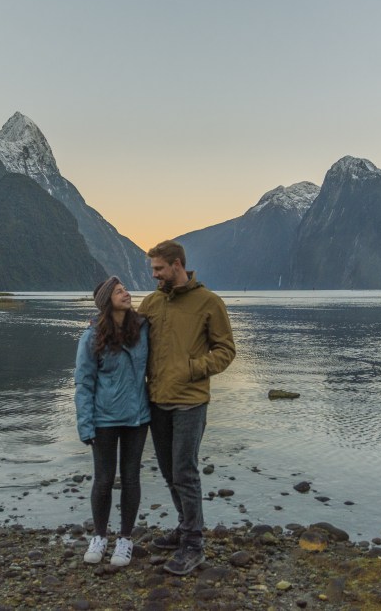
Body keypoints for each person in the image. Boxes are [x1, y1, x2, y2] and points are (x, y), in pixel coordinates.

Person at [138, 240, 236, 576]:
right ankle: (184, 526)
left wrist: (193, 368)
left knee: (185, 471)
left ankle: (194, 544)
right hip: (156, 399)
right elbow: (131, 339)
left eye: (159, 269)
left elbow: (226, 350)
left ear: (177, 265)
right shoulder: (151, 303)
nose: (154, 275)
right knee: (168, 472)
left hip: (190, 401)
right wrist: (100, 329)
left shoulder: (209, 302)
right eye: (153, 269)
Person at [74, 276, 150, 567]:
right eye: (119, 291)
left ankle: (126, 539)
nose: (126, 293)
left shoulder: (143, 329)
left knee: (131, 478)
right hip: (104, 418)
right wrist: (85, 424)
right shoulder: (92, 336)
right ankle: (100, 537)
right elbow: (83, 382)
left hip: (137, 417)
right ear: (107, 301)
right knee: (104, 479)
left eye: (125, 289)